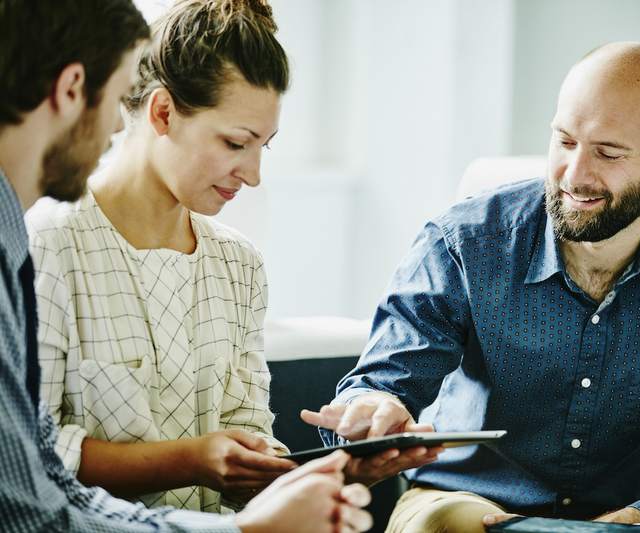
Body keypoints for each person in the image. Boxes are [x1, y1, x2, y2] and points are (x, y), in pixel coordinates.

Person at [302, 42, 640, 532]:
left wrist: (636, 520)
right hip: (472, 503)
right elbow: (382, 384)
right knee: (445, 525)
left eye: (608, 152)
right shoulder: (465, 241)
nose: (575, 175)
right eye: (564, 142)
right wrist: (373, 409)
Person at [0, 0, 371, 531]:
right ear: (163, 113)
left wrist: (337, 472)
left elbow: (248, 429)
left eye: (264, 146)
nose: (253, 174)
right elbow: (37, 467)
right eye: (235, 143)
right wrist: (196, 459)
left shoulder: (239, 263)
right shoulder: (45, 243)